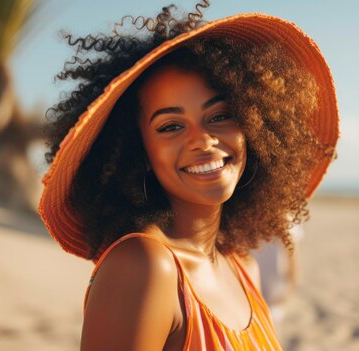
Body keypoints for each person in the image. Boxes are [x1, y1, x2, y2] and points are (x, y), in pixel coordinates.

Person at [38, 2, 338, 350]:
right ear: (140, 152)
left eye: (219, 115)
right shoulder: (142, 267)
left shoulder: (242, 266)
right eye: (171, 126)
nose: (202, 140)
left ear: (252, 123)